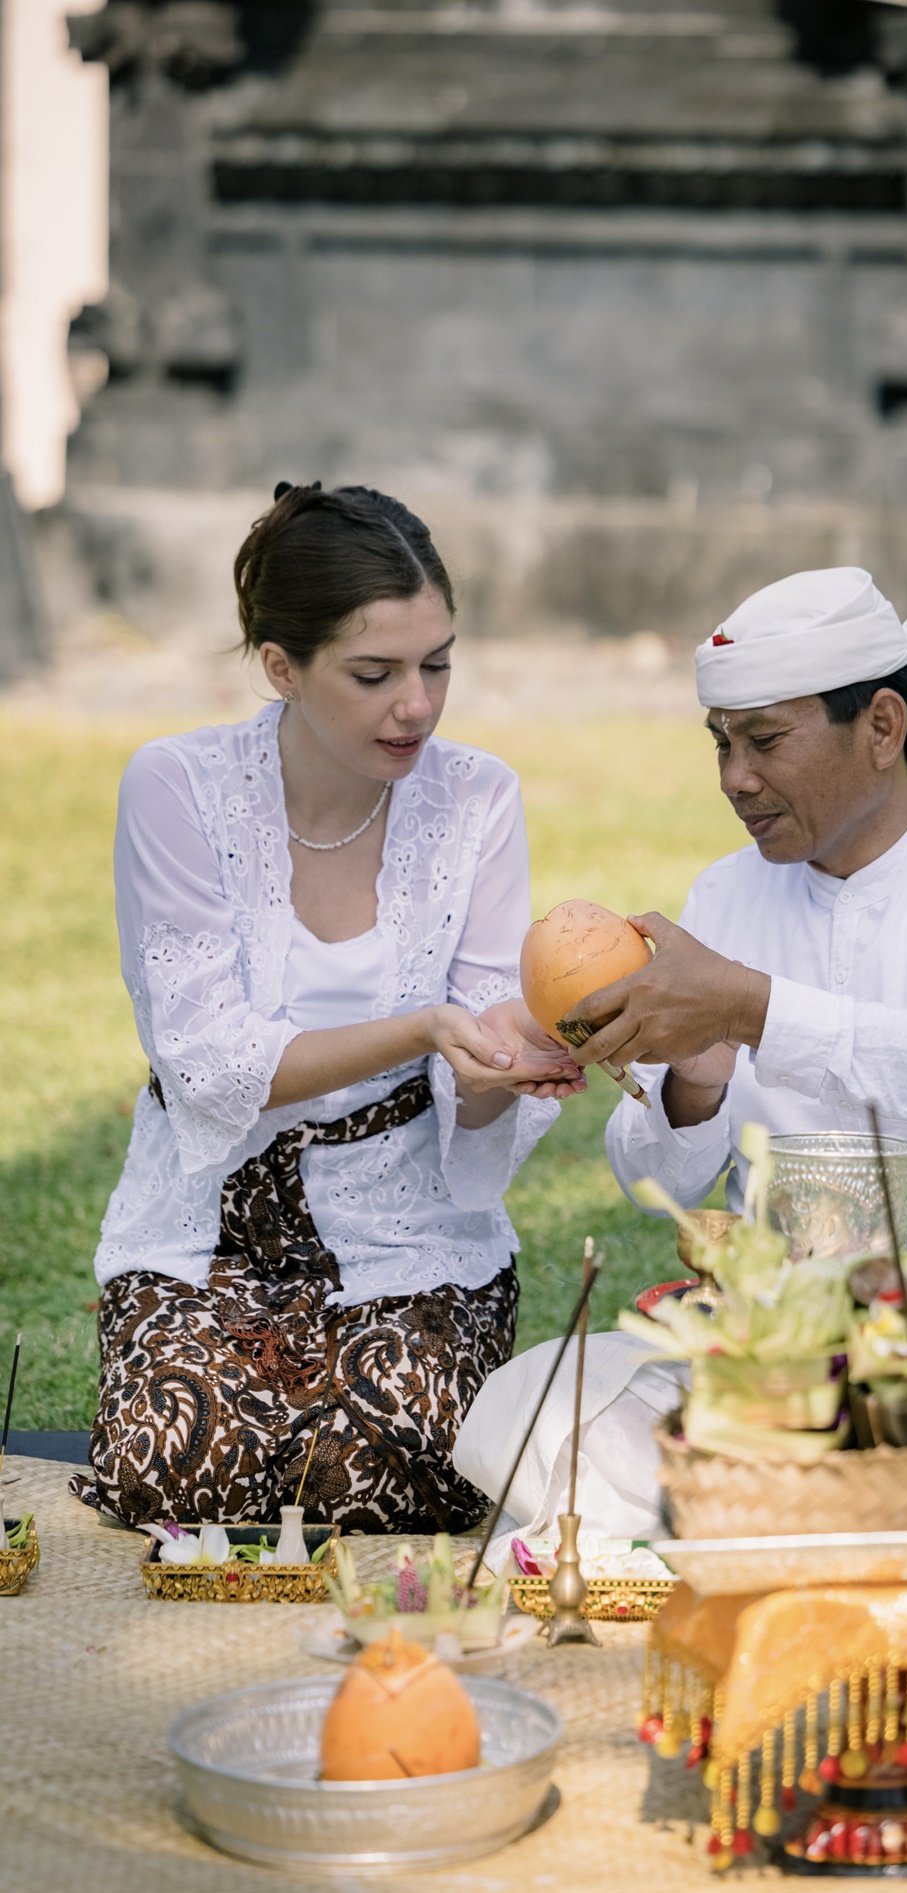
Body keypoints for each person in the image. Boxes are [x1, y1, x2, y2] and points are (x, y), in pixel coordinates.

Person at [73, 481, 583, 1532]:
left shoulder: (480, 798)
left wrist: (497, 1069)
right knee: (176, 1462)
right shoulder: (174, 786)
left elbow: (476, 1071)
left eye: (437, 663)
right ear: (280, 667)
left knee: (406, 1462)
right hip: (208, 1225)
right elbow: (207, 1064)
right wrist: (423, 1029)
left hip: (406, 1222)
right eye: (374, 673)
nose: (418, 704)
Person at [572, 567, 907, 1335]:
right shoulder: (726, 896)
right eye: (721, 744)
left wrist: (752, 1008)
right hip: (778, 1351)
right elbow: (649, 1181)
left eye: (765, 741)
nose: (734, 779)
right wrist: (695, 1086)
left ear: (880, 727)